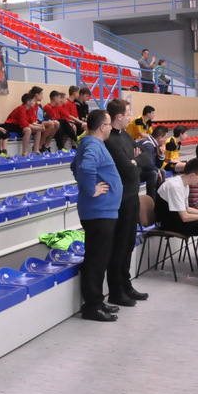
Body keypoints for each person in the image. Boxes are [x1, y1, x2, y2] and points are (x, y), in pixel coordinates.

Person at [72, 109, 121, 322]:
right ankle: (92, 306)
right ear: (103, 127)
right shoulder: (93, 144)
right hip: (99, 211)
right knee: (96, 260)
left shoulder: (90, 143)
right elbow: (85, 166)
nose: (110, 128)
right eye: (109, 125)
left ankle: (97, 301)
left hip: (102, 210)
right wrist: (91, 189)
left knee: (99, 258)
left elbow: (74, 166)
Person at [103, 99, 148, 307]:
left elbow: (147, 155)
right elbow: (126, 169)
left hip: (132, 197)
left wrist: (135, 161)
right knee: (119, 245)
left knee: (129, 243)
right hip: (120, 200)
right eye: (128, 113)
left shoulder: (126, 135)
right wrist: (134, 164)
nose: (131, 117)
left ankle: (126, 284)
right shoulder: (111, 140)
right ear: (119, 116)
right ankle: (116, 290)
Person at [3, 93, 42, 157]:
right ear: (28, 102)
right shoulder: (21, 109)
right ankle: (24, 152)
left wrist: (39, 126)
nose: (34, 102)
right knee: (28, 130)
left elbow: (31, 121)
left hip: (19, 125)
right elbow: (25, 124)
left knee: (38, 130)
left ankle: (36, 149)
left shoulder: (29, 109)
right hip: (11, 125)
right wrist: (37, 127)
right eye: (33, 101)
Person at [137, 125, 168, 200]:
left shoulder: (155, 145)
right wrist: (157, 170)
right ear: (160, 138)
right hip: (137, 170)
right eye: (165, 138)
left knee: (162, 172)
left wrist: (162, 154)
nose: (165, 140)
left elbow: (158, 166)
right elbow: (147, 163)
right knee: (154, 173)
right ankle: (151, 198)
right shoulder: (147, 144)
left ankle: (159, 198)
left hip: (144, 169)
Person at [29, 87, 58, 153]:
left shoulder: (39, 105)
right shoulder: (31, 104)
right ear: (37, 95)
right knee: (51, 124)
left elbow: (44, 115)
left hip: (41, 121)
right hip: (35, 122)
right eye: (41, 94)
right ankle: (39, 145)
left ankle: (46, 145)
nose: (42, 96)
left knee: (57, 123)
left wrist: (49, 119)